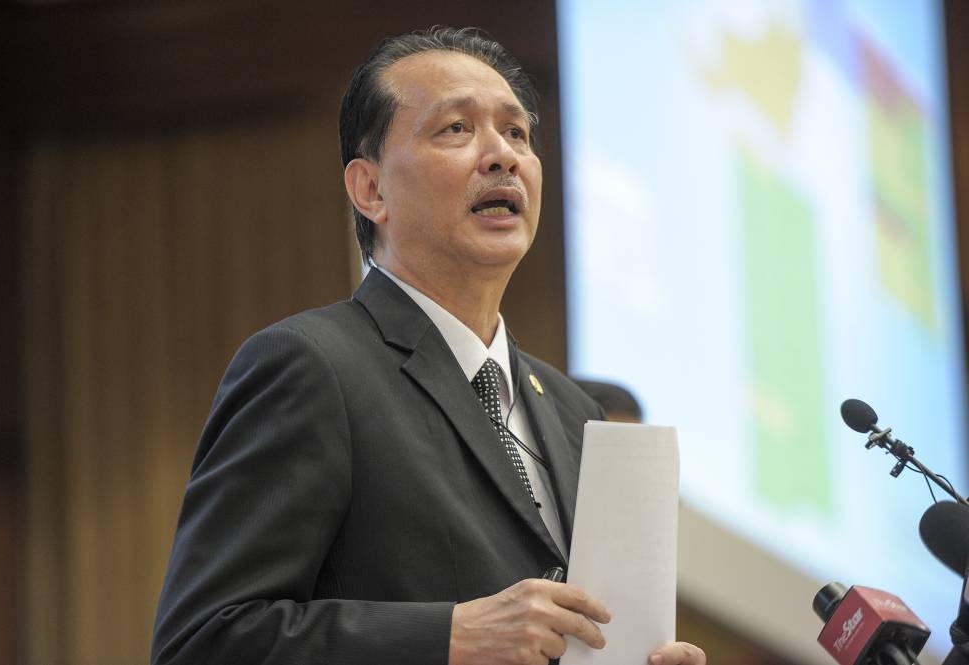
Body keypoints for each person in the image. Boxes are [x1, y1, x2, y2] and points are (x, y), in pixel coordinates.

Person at [151, 27, 706, 665]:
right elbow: (202, 642)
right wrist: (448, 637)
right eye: (455, 130)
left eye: (517, 133)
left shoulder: (574, 412)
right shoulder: (312, 366)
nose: (503, 156)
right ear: (371, 190)